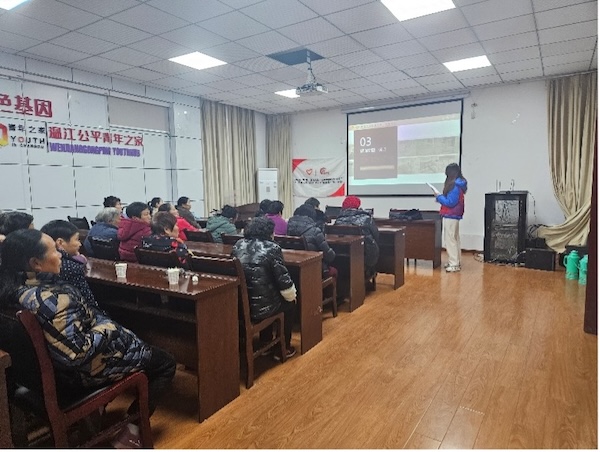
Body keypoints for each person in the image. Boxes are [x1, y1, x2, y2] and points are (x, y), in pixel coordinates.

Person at [0, 229, 176, 448]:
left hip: (38, 378)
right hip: (76, 377)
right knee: (165, 363)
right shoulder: (52, 301)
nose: (61, 254)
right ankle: (133, 430)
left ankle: (98, 411)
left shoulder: (12, 291)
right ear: (36, 263)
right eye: (54, 251)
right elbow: (76, 354)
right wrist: (108, 329)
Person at [231, 217, 297, 360]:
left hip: (241, 306)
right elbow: (283, 281)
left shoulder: (238, 245)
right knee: (290, 304)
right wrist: (292, 296)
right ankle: (283, 349)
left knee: (266, 295)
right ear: (269, 232)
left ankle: (265, 341)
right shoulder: (272, 248)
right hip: (261, 309)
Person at [40, 219, 97, 307]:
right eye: (77, 239)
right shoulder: (72, 267)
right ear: (60, 243)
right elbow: (88, 301)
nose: (80, 244)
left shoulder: (40, 263)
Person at [334, 195, 379, 285]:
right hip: (364, 255)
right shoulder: (366, 219)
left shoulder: (338, 220)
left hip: (343, 256)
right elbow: (376, 235)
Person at [431, 163, 468, 273]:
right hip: (454, 215)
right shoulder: (459, 184)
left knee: (450, 240)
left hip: (451, 215)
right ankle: (456, 261)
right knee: (454, 239)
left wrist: (439, 196)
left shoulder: (455, 186)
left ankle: (454, 264)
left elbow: (450, 202)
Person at [287, 204, 337, 278]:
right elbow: (329, 256)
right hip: (315, 268)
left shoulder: (288, 228)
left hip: (293, 269)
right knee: (335, 269)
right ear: (312, 216)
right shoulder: (315, 231)